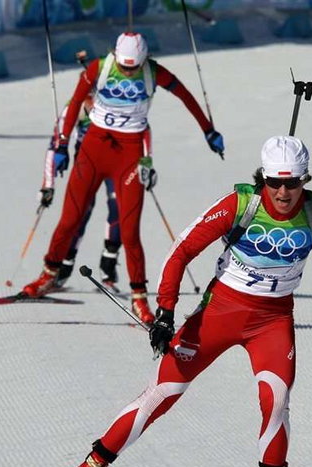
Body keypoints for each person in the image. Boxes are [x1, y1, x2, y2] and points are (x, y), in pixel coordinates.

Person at [39, 136, 312, 467]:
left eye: (292, 183)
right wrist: (165, 314)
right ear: (263, 178)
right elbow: (181, 251)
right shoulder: (242, 204)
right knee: (162, 393)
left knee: (275, 399)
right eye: (274, 181)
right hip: (219, 314)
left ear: (304, 181)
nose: (283, 192)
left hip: (272, 321)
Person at [22, 32, 225, 325]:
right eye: (124, 66)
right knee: (70, 220)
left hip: (128, 155)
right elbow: (76, 101)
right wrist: (63, 144)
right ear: (115, 56)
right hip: (93, 149)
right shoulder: (99, 68)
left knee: (129, 232)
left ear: (143, 60)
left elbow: (186, 96)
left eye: (133, 67)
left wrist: (208, 130)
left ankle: (139, 299)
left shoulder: (153, 72)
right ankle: (48, 275)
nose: (128, 71)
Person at [40, 73, 127, 292]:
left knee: (118, 208)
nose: (90, 97)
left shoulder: (119, 102)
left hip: (115, 162)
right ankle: (62, 270)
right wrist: (48, 185)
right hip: (86, 163)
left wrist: (143, 161)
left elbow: (140, 129)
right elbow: (55, 143)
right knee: (80, 213)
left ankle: (108, 270)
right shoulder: (76, 105)